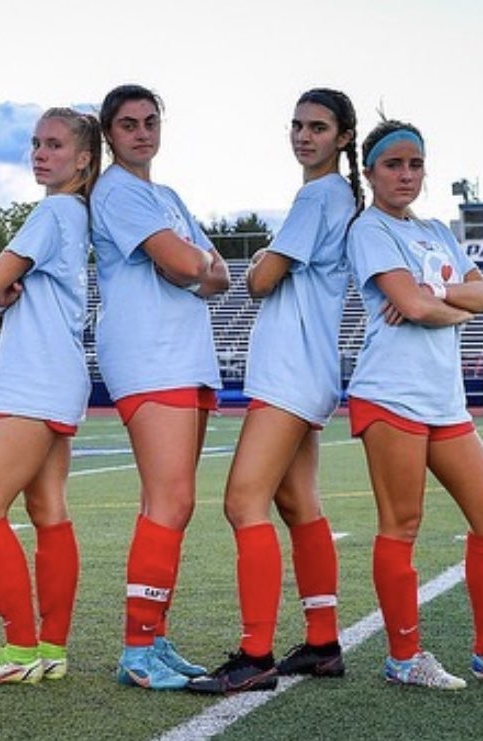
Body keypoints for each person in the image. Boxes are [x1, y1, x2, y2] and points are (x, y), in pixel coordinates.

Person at [346, 119, 483, 690]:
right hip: (390, 394)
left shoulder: (438, 229)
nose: (406, 174)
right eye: (393, 164)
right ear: (370, 172)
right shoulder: (369, 229)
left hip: (445, 401)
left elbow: (481, 295)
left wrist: (436, 294)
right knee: (403, 524)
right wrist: (437, 302)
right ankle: (403, 658)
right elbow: (410, 309)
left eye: (415, 164)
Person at [188, 88, 360, 695]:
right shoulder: (333, 196)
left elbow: (260, 280)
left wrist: (263, 254)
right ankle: (322, 643)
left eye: (317, 127)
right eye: (297, 126)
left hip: (290, 374)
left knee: (243, 502)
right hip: (307, 371)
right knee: (298, 506)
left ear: (343, 137)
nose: (303, 136)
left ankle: (254, 654)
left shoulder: (318, 196)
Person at [91, 84, 231, 691]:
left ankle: (153, 637)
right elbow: (186, 264)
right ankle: (137, 651)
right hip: (150, 358)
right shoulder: (116, 191)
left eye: (150, 121)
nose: (142, 132)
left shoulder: (165, 195)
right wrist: (189, 263)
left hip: (185, 356)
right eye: (128, 124)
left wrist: (190, 262)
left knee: (171, 504)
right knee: (169, 502)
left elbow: (219, 274)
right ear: (109, 134)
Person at [0, 108, 101, 686]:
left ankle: (18, 650)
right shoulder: (78, 214)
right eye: (36, 144)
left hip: (36, 379)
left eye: (55, 145)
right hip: (60, 377)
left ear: (84, 158)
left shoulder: (52, 211)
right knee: (48, 512)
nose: (41, 154)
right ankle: (50, 650)